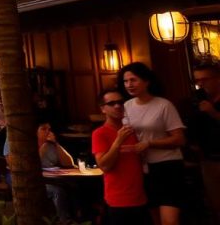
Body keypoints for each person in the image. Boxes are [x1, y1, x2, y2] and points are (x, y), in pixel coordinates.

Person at [119, 62, 185, 225]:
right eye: (125, 81)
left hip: (168, 165)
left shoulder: (163, 105)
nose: (129, 85)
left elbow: (179, 139)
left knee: (169, 220)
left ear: (146, 81)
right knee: (153, 218)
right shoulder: (126, 106)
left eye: (133, 80)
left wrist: (149, 143)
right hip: (141, 168)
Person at [93, 88, 152, 225]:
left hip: (140, 197)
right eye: (112, 103)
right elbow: (104, 165)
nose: (117, 106)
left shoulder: (131, 130)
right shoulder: (100, 133)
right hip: (118, 200)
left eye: (120, 102)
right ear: (103, 109)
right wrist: (118, 141)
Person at [4, 122, 74, 221]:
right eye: (44, 129)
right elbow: (26, 166)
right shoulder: (19, 141)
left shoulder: (51, 144)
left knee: (73, 186)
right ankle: (64, 221)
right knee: (57, 191)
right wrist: (43, 147)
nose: (48, 132)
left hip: (48, 178)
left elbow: (69, 163)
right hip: (22, 178)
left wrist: (56, 144)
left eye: (49, 129)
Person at [188, 61, 220, 222]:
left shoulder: (210, 106)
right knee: (215, 204)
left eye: (205, 79)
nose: (200, 84)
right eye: (197, 80)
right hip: (208, 160)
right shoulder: (198, 102)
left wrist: (214, 113)